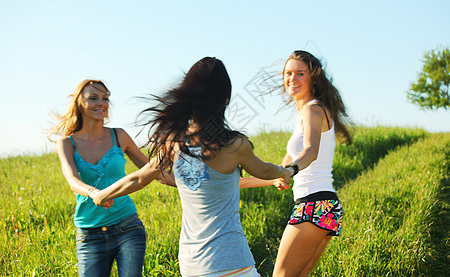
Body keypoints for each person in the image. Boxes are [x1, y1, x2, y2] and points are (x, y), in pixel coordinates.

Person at [91, 57, 292, 277]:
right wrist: (286, 171)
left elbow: (139, 177)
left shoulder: (174, 143)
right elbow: (265, 171)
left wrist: (103, 194)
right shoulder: (235, 145)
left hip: (193, 265)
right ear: (225, 98)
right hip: (232, 263)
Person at [241, 50, 352, 276]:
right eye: (288, 73)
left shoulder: (313, 109)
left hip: (314, 205)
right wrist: (227, 183)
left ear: (313, 78)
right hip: (323, 206)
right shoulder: (305, 113)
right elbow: (275, 176)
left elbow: (311, 150)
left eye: (300, 73)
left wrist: (292, 170)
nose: (292, 79)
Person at [48, 79, 151, 277]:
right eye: (93, 98)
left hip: (127, 226)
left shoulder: (119, 135)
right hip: (89, 233)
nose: (101, 103)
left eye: (105, 98)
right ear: (80, 103)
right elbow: (72, 180)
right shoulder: (67, 143)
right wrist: (94, 192)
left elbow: (152, 170)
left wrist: (189, 183)